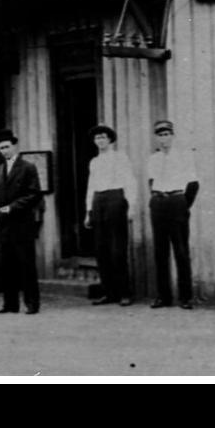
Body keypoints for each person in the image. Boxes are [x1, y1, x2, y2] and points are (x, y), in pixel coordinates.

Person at [0, 129, 43, 314]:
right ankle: (10, 304)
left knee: (26, 264)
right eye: (1, 148)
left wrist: (13, 206)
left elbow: (34, 194)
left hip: (22, 223)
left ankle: (32, 304)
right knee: (8, 266)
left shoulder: (28, 167)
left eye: (7, 147)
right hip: (5, 224)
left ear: (15, 146)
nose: (5, 151)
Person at [147, 120, 200, 310]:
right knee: (160, 252)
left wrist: (183, 205)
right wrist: (155, 199)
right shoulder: (154, 159)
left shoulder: (184, 156)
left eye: (166, 134)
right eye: (160, 135)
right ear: (156, 137)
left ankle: (185, 297)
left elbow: (193, 185)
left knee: (181, 251)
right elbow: (151, 181)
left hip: (177, 201)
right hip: (158, 202)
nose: (163, 138)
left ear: (172, 135)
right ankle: (163, 297)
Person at [84, 124, 137, 306]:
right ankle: (109, 292)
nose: (100, 141)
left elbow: (130, 181)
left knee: (117, 250)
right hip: (98, 202)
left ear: (110, 139)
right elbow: (91, 188)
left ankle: (124, 293)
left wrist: (131, 207)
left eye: (103, 137)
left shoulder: (120, 157)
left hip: (116, 199)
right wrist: (88, 212)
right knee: (101, 250)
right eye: (97, 138)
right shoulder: (94, 162)